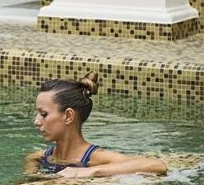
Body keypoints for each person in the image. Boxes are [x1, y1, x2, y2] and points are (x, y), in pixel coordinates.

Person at [25, 71, 167, 178]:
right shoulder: (40, 157)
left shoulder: (96, 158)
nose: (36, 121)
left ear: (68, 116)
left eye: (43, 114)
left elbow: (156, 165)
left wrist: (90, 171)